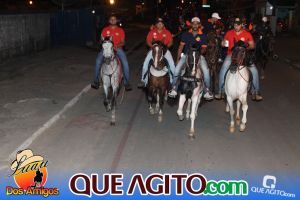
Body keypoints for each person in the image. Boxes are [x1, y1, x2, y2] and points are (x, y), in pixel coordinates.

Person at [215, 17, 263, 101]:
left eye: (238, 25)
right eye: (235, 25)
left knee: (254, 70)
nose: (236, 26)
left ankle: (255, 92)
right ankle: (221, 91)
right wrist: (222, 43)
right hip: (231, 55)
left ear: (241, 25)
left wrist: (246, 46)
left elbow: (252, 45)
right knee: (223, 69)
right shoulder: (229, 33)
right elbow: (224, 44)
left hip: (243, 55)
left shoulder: (247, 34)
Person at [168, 17, 214, 100]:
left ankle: (207, 90)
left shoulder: (203, 35)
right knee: (177, 68)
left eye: (197, 23)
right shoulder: (185, 34)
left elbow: (204, 48)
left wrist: (201, 51)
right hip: (186, 55)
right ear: (191, 24)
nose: (195, 25)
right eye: (194, 23)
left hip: (198, 56)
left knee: (206, 70)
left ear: (199, 25)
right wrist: (177, 59)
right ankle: (174, 88)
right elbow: (180, 47)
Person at [91, 14, 132, 91]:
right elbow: (100, 41)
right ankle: (96, 81)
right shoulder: (105, 30)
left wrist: (116, 46)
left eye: (114, 19)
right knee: (98, 61)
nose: (113, 20)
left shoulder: (120, 30)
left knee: (125, 63)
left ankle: (127, 83)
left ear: (117, 21)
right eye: (111, 19)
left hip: (117, 49)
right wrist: (104, 42)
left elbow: (123, 42)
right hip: (106, 49)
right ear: (109, 21)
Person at [138, 18, 176, 87]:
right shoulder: (152, 32)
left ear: (163, 24)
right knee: (145, 63)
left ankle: (173, 81)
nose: (160, 24)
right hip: (154, 50)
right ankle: (143, 80)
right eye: (158, 23)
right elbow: (148, 41)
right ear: (156, 24)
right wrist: (152, 47)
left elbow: (171, 42)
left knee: (172, 64)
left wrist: (165, 47)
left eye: (161, 23)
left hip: (165, 50)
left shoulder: (167, 32)